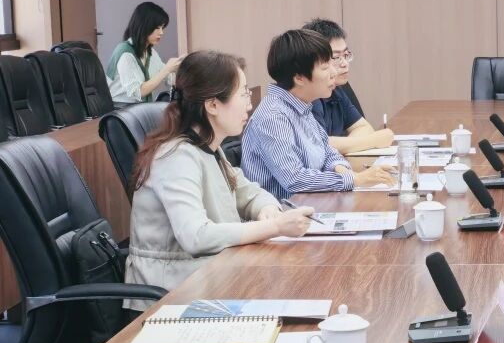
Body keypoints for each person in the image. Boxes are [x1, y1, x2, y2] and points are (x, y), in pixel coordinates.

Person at [125, 51, 315, 302]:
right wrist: (275, 227)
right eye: (243, 94)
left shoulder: (208, 147)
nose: (249, 104)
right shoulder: (176, 157)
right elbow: (196, 236)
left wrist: (266, 209)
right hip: (172, 296)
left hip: (210, 278)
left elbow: (248, 192)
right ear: (213, 105)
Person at [240, 29, 395, 199]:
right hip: (285, 210)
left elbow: (328, 151)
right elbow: (295, 179)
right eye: (325, 67)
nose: (333, 73)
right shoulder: (273, 116)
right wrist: (355, 179)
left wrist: (346, 172)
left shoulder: (302, 105)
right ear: (299, 77)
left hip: (312, 203)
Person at [301, 18, 395, 154]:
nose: (345, 63)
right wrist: (373, 141)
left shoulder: (336, 89)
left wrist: (347, 146)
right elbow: (317, 145)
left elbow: (363, 127)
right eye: (336, 57)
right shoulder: (309, 96)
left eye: (346, 55)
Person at [107, 2, 183, 104]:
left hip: (138, 107)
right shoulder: (125, 54)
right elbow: (138, 92)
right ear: (144, 26)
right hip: (121, 108)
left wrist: (183, 67)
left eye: (162, 28)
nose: (161, 32)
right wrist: (167, 69)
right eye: (157, 28)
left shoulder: (150, 52)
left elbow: (168, 78)